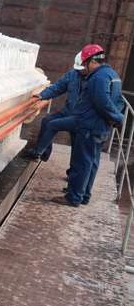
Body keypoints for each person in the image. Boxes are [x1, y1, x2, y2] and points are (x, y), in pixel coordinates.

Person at [52, 44, 123, 207]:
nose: (84, 67)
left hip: (89, 126)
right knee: (92, 162)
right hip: (101, 127)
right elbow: (118, 101)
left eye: (85, 64)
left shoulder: (98, 77)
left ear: (92, 61)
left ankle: (74, 197)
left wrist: (118, 118)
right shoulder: (113, 75)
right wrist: (115, 118)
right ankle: (84, 195)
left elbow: (103, 103)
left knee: (81, 162)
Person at [23, 52, 86, 162]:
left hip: (82, 117)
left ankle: (74, 169)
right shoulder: (73, 74)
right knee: (47, 121)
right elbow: (57, 87)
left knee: (77, 142)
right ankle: (41, 153)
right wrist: (42, 95)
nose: (79, 70)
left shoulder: (95, 79)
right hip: (68, 112)